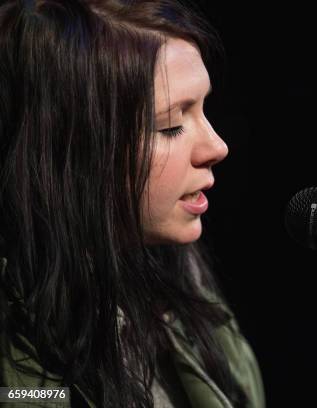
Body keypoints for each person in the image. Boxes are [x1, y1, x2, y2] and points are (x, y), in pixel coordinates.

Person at [0, 0, 265, 407]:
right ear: (72, 151)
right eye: (172, 124)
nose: (217, 146)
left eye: (204, 109)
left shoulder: (180, 281)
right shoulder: (17, 351)